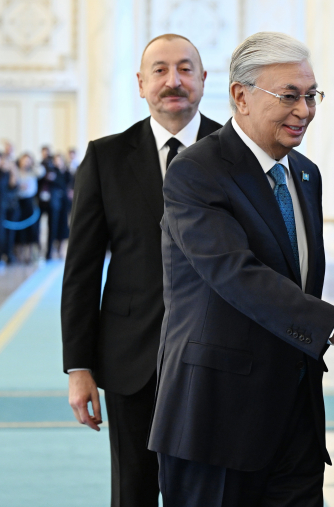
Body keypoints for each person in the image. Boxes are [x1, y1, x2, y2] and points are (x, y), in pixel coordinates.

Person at [148, 31, 334, 507]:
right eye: (289, 96)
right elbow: (236, 274)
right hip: (217, 421)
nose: (304, 110)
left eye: (311, 95)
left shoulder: (305, 173)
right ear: (241, 96)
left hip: (296, 419)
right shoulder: (196, 170)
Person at [61, 34, 223, 507]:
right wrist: (79, 366)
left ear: (203, 79)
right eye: (160, 70)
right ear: (140, 83)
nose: (173, 81)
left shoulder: (234, 152)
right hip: (131, 359)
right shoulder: (106, 157)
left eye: (185, 69)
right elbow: (81, 270)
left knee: (209, 492)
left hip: (218, 356)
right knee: (133, 491)